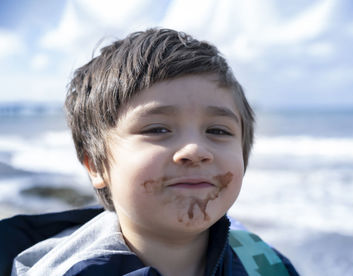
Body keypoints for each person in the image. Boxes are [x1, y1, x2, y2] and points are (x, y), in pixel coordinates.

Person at [0, 28, 299, 275]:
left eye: (218, 131)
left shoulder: (265, 264)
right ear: (96, 168)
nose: (195, 149)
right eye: (157, 129)